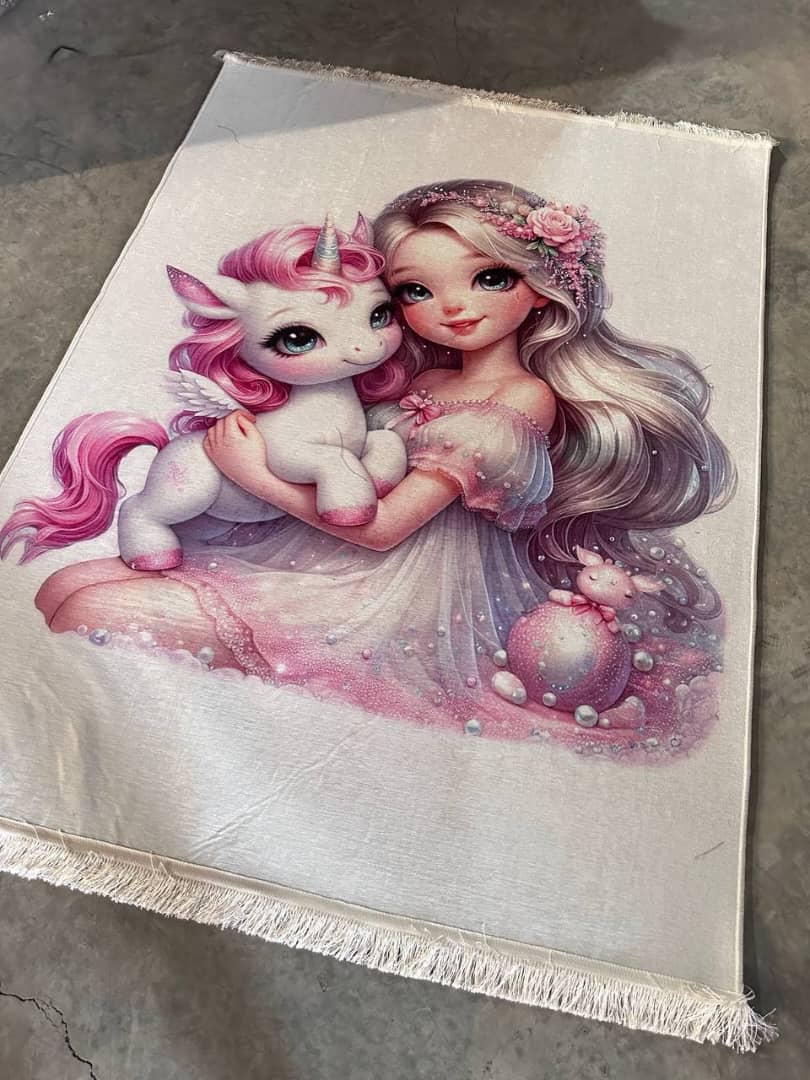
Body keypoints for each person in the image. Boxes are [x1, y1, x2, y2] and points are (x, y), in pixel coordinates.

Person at [34, 179, 734, 754]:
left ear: (542, 285)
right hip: (321, 553)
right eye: (414, 292)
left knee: (89, 607)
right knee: (66, 585)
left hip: (413, 597)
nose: (454, 307)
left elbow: (382, 530)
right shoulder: (422, 380)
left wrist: (254, 475)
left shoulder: (522, 397)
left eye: (490, 278)